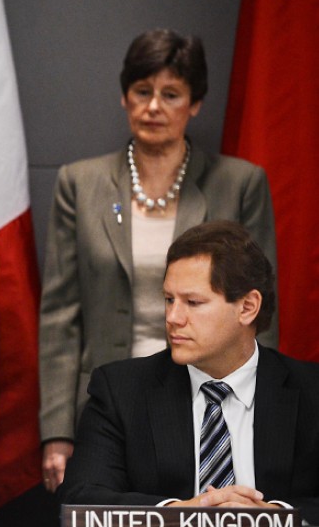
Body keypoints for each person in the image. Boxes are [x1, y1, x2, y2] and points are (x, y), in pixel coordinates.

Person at [39, 29, 277, 493]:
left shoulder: (240, 182)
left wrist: (263, 417)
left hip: (209, 398)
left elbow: (260, 313)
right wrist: (57, 432)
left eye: (171, 94)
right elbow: (60, 317)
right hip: (108, 407)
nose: (153, 107)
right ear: (125, 97)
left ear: (195, 104)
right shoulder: (80, 183)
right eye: (142, 92)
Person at [60, 221, 319, 523]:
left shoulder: (311, 392)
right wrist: (180, 516)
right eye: (169, 300)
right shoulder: (121, 390)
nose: (172, 317)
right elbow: (81, 502)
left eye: (193, 302)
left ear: (247, 307)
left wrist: (272, 519)